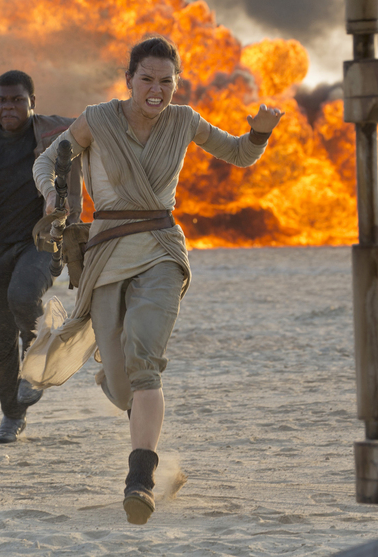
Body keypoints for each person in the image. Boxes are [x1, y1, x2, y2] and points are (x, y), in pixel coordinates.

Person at [30, 36, 283, 524]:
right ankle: (135, 416)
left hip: (163, 249)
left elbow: (238, 154)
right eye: (146, 78)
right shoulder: (97, 119)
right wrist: (53, 196)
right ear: (129, 80)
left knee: (146, 362)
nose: (156, 89)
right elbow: (49, 160)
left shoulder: (184, 120)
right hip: (105, 254)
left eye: (166, 80)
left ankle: (140, 481)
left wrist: (260, 134)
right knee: (124, 383)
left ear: (176, 83)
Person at [0, 70, 82, 444]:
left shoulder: (53, 133)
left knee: (23, 297)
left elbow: (93, 128)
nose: (8, 107)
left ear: (32, 102)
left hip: (42, 241)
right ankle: (12, 416)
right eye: (2, 101)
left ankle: (36, 354)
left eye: (16, 100)